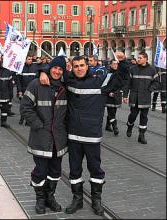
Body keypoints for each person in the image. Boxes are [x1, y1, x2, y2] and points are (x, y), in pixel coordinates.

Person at [40, 56, 116, 216]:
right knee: (74, 170)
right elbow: (56, 69)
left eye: (82, 65)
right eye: (76, 66)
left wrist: (122, 63)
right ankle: (77, 199)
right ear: (72, 68)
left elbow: (121, 79)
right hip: (74, 135)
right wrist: (43, 71)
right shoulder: (70, 81)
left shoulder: (100, 82)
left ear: (88, 66)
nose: (79, 68)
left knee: (95, 169)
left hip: (92, 135)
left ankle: (96, 201)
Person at [20, 56, 68, 214]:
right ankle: (40, 199)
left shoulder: (65, 86)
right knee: (40, 171)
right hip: (41, 137)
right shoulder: (36, 84)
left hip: (58, 139)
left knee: (55, 171)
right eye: (55, 68)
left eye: (60, 69)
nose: (57, 71)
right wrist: (38, 125)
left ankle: (50, 197)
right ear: (50, 68)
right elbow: (25, 107)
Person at [123, 52, 161, 144]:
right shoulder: (132, 69)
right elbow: (127, 83)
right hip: (134, 97)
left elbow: (157, 82)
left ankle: (141, 135)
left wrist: (150, 89)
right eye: (138, 57)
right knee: (133, 115)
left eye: (140, 58)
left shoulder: (152, 70)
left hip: (145, 97)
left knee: (144, 117)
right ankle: (130, 125)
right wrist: (125, 95)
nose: (138, 59)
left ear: (146, 59)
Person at [16, 54, 39, 125]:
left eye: (31, 59)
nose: (30, 61)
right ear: (25, 60)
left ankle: (28, 121)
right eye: (29, 59)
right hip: (23, 90)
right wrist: (19, 91)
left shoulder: (35, 67)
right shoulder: (21, 68)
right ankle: (22, 118)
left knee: (31, 106)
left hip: (32, 91)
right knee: (24, 106)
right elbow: (18, 81)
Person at [105, 59, 123, 135]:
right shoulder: (108, 73)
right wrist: (108, 92)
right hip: (109, 95)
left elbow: (121, 83)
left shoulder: (119, 73)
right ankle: (115, 127)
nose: (115, 65)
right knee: (111, 111)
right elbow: (105, 85)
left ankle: (107, 125)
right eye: (114, 64)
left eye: (116, 64)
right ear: (111, 65)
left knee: (114, 111)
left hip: (116, 94)